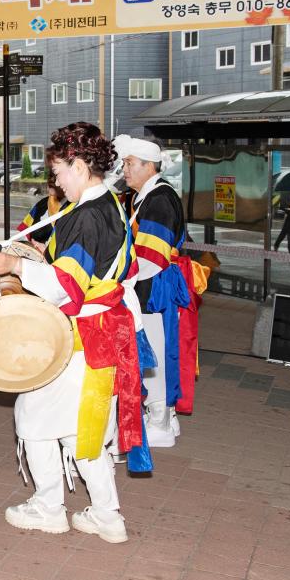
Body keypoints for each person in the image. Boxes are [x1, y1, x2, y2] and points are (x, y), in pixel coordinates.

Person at [0, 121, 146, 545]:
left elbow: (67, 287)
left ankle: (49, 506)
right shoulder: (110, 203)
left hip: (76, 335)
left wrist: (16, 266)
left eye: (57, 171)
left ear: (77, 165)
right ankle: (107, 515)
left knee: (33, 417)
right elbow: (97, 266)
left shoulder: (86, 215)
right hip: (101, 332)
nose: (55, 182)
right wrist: (43, 253)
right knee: (84, 430)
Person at [115, 135, 190, 449]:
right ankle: (164, 417)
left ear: (149, 166)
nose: (125, 169)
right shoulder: (146, 196)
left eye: (130, 163)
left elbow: (151, 258)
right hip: (148, 282)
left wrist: (120, 282)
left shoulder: (158, 199)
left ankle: (159, 417)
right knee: (156, 348)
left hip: (152, 285)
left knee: (155, 350)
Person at [17, 175, 65, 251]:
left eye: (57, 174)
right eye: (51, 172)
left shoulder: (75, 209)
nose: (51, 178)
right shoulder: (42, 204)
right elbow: (23, 235)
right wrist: (28, 247)